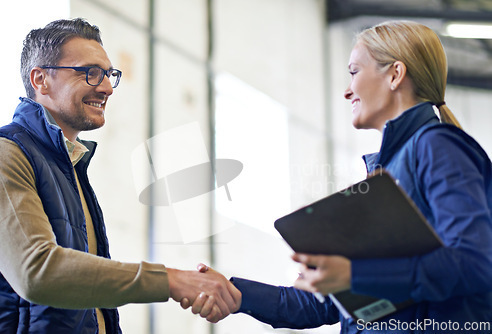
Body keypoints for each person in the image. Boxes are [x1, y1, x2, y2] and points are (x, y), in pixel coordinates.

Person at [190, 20, 492, 333]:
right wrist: (237, 295)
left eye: (354, 72)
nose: (348, 91)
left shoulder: (437, 146)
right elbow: (324, 306)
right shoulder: (385, 174)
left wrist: (355, 275)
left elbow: (474, 264)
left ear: (395, 75)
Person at [0, 18, 240, 333]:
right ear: (41, 79)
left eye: (109, 75)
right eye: (90, 73)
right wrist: (171, 280)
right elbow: (36, 272)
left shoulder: (71, 166)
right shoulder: (4, 153)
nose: (107, 87)